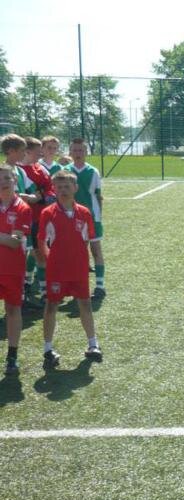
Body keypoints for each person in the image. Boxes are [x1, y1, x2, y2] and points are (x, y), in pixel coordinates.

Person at [38, 170, 103, 369]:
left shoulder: (84, 212)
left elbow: (88, 239)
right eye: (59, 187)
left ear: (75, 188)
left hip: (78, 269)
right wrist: (51, 261)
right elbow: (42, 241)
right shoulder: (47, 213)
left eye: (67, 186)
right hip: (57, 270)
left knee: (85, 304)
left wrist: (86, 259)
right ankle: (48, 349)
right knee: (51, 306)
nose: (63, 190)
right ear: (54, 189)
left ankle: (93, 344)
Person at [0, 164, 32, 375]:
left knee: (12, 310)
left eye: (6, 178)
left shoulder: (23, 208)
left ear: (15, 181)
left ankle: (12, 356)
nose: (3, 182)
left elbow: (14, 242)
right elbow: (9, 239)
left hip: (12, 269)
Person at [65, 138, 106, 299]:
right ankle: (76, 286)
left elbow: (98, 195)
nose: (78, 153)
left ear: (86, 152)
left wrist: (99, 216)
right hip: (71, 217)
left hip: (91, 217)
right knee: (75, 252)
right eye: (75, 150)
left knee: (96, 250)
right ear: (70, 152)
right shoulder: (65, 171)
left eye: (81, 150)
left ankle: (100, 286)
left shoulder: (93, 171)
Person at [21, 137, 56, 301]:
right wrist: (29, 197)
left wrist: (40, 196)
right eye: (38, 152)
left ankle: (43, 292)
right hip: (20, 220)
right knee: (23, 254)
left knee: (39, 253)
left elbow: (51, 191)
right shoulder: (16, 170)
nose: (41, 154)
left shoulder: (41, 169)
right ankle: (24, 288)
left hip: (38, 218)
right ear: (26, 152)